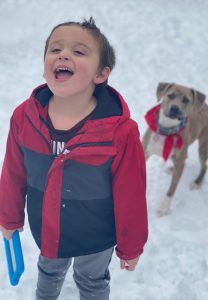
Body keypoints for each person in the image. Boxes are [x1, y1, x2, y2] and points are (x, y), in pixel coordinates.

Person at [0, 17, 148, 300]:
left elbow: (131, 193)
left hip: (96, 235)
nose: (63, 54)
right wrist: (8, 215)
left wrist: (131, 245)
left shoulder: (119, 132)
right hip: (47, 227)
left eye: (79, 52)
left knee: (91, 280)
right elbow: (13, 172)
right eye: (55, 50)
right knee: (49, 271)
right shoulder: (25, 117)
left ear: (101, 74)